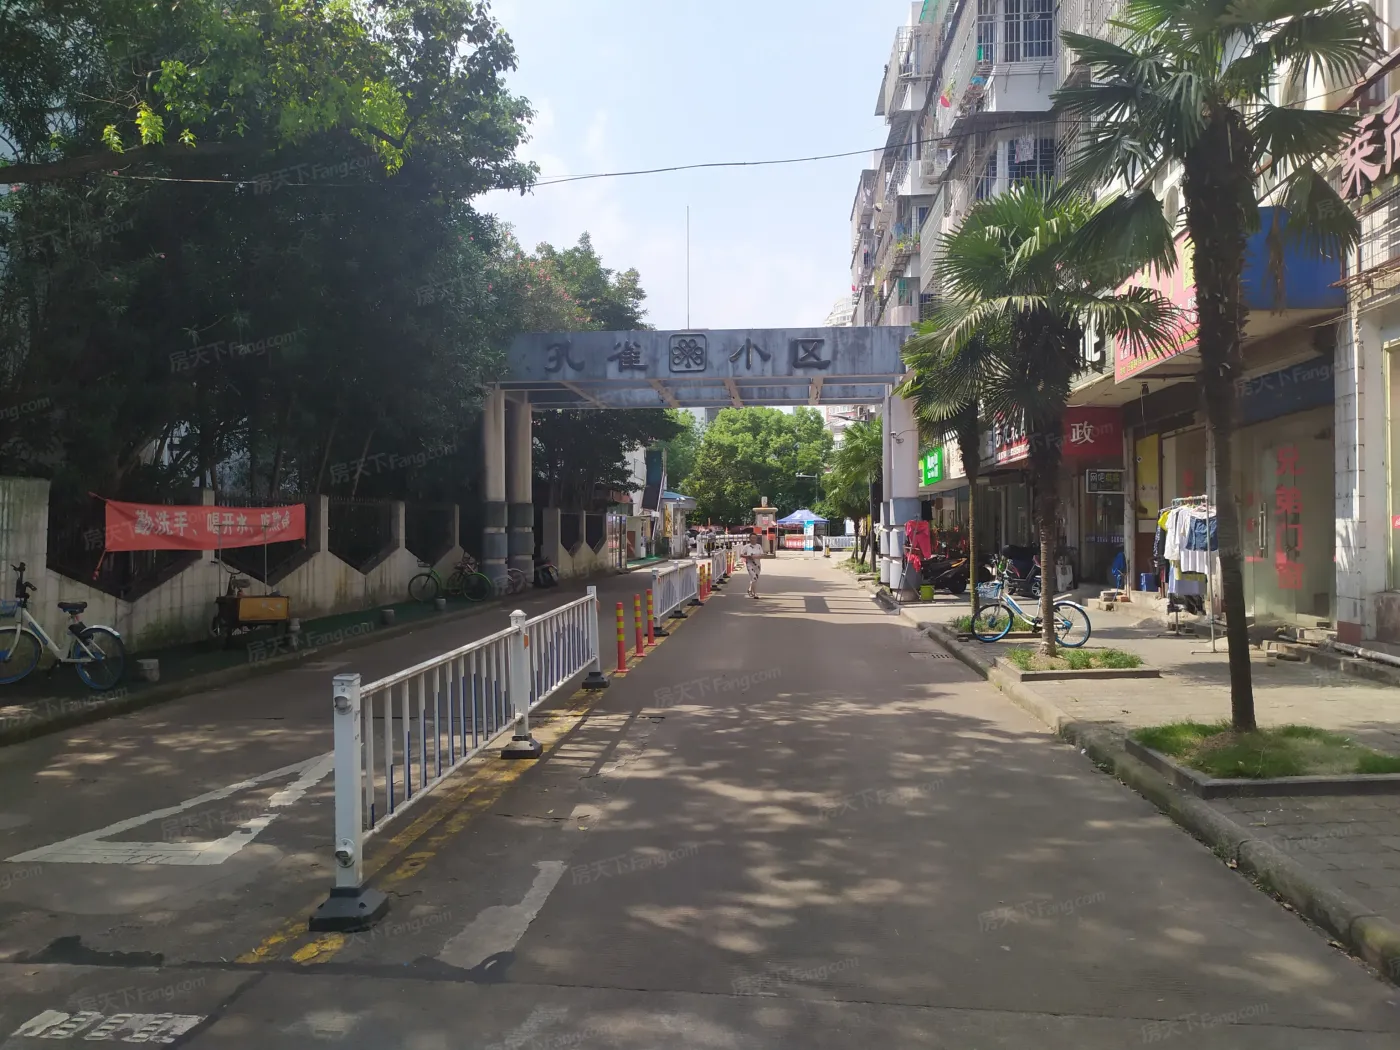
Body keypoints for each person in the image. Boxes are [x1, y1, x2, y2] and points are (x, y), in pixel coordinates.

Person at [739, 529, 764, 598]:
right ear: (749, 539)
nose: (753, 539)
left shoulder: (759, 546)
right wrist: (748, 556)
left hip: (757, 565)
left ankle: (750, 590)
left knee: (754, 579)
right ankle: (755, 593)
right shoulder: (746, 547)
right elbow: (741, 555)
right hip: (750, 564)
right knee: (754, 577)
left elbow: (762, 555)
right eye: (752, 538)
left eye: (755, 538)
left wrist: (756, 556)